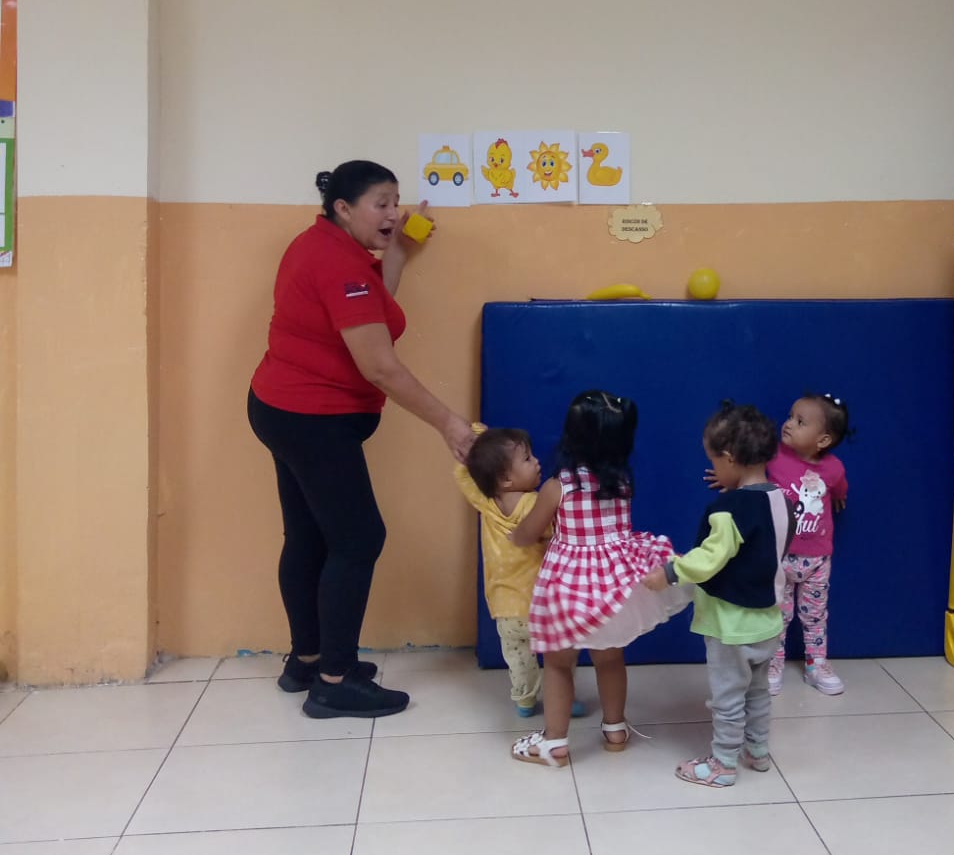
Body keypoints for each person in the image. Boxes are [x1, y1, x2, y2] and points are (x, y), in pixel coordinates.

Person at [248, 160, 474, 721]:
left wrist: (397, 252)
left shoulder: (327, 247)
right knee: (358, 539)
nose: (394, 212)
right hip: (311, 418)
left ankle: (306, 661)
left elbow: (370, 308)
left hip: (282, 406)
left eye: (396, 201)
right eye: (382, 203)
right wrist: (450, 423)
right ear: (344, 208)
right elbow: (380, 367)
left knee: (309, 536)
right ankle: (334, 681)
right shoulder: (338, 265)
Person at [508, 390, 687, 767]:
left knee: (559, 663)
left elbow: (530, 532)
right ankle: (615, 729)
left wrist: (516, 536)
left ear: (571, 437)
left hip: (570, 588)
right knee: (610, 658)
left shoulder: (558, 487)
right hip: (613, 588)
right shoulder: (622, 483)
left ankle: (554, 743)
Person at [646, 402, 794, 787]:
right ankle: (757, 751)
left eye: (714, 461)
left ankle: (723, 763)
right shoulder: (782, 500)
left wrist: (670, 572)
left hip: (731, 626)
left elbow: (710, 558)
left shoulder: (729, 510)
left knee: (727, 698)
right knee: (757, 693)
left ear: (730, 459)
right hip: (769, 620)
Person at [452, 424, 587, 719]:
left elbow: (462, 475)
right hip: (542, 605)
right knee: (560, 655)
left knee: (519, 659)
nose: (537, 461)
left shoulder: (486, 503)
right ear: (505, 478)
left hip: (505, 609)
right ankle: (565, 699)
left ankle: (525, 699)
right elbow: (558, 531)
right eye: (527, 459)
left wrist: (475, 435)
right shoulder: (535, 504)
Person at [766, 394, 850, 696]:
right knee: (777, 614)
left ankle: (817, 665)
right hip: (780, 556)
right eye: (790, 416)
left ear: (823, 440)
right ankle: (772, 664)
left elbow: (839, 488)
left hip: (817, 560)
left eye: (800, 422)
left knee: (815, 615)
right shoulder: (774, 456)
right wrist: (730, 479)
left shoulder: (833, 469)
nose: (788, 424)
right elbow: (750, 474)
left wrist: (838, 496)